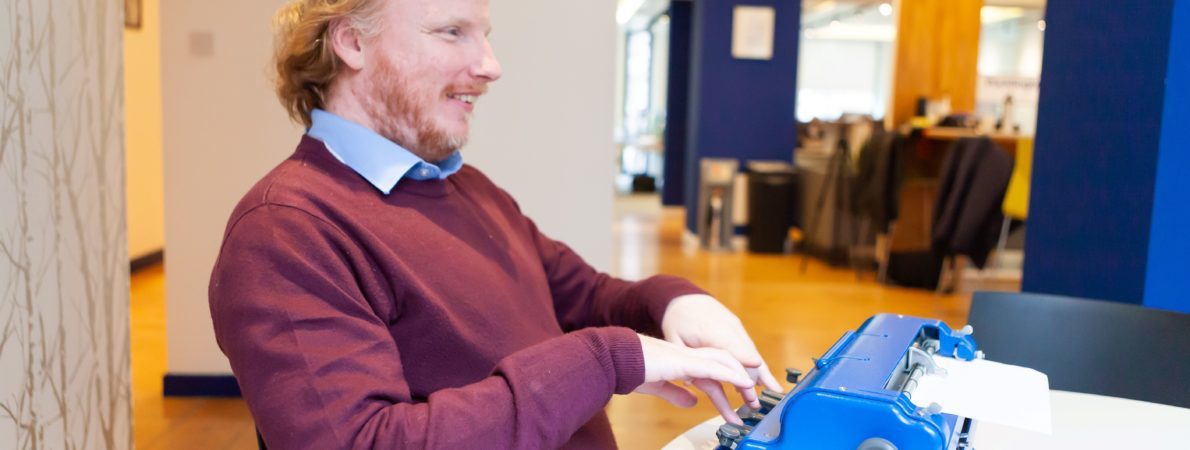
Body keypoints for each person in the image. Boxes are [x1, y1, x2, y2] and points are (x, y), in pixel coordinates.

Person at [208, 0, 781, 448]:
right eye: (451, 31)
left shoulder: (464, 187)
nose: (490, 65)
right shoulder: (286, 233)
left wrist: (673, 303)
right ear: (352, 41)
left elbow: (584, 296)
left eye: (484, 34)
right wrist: (602, 361)